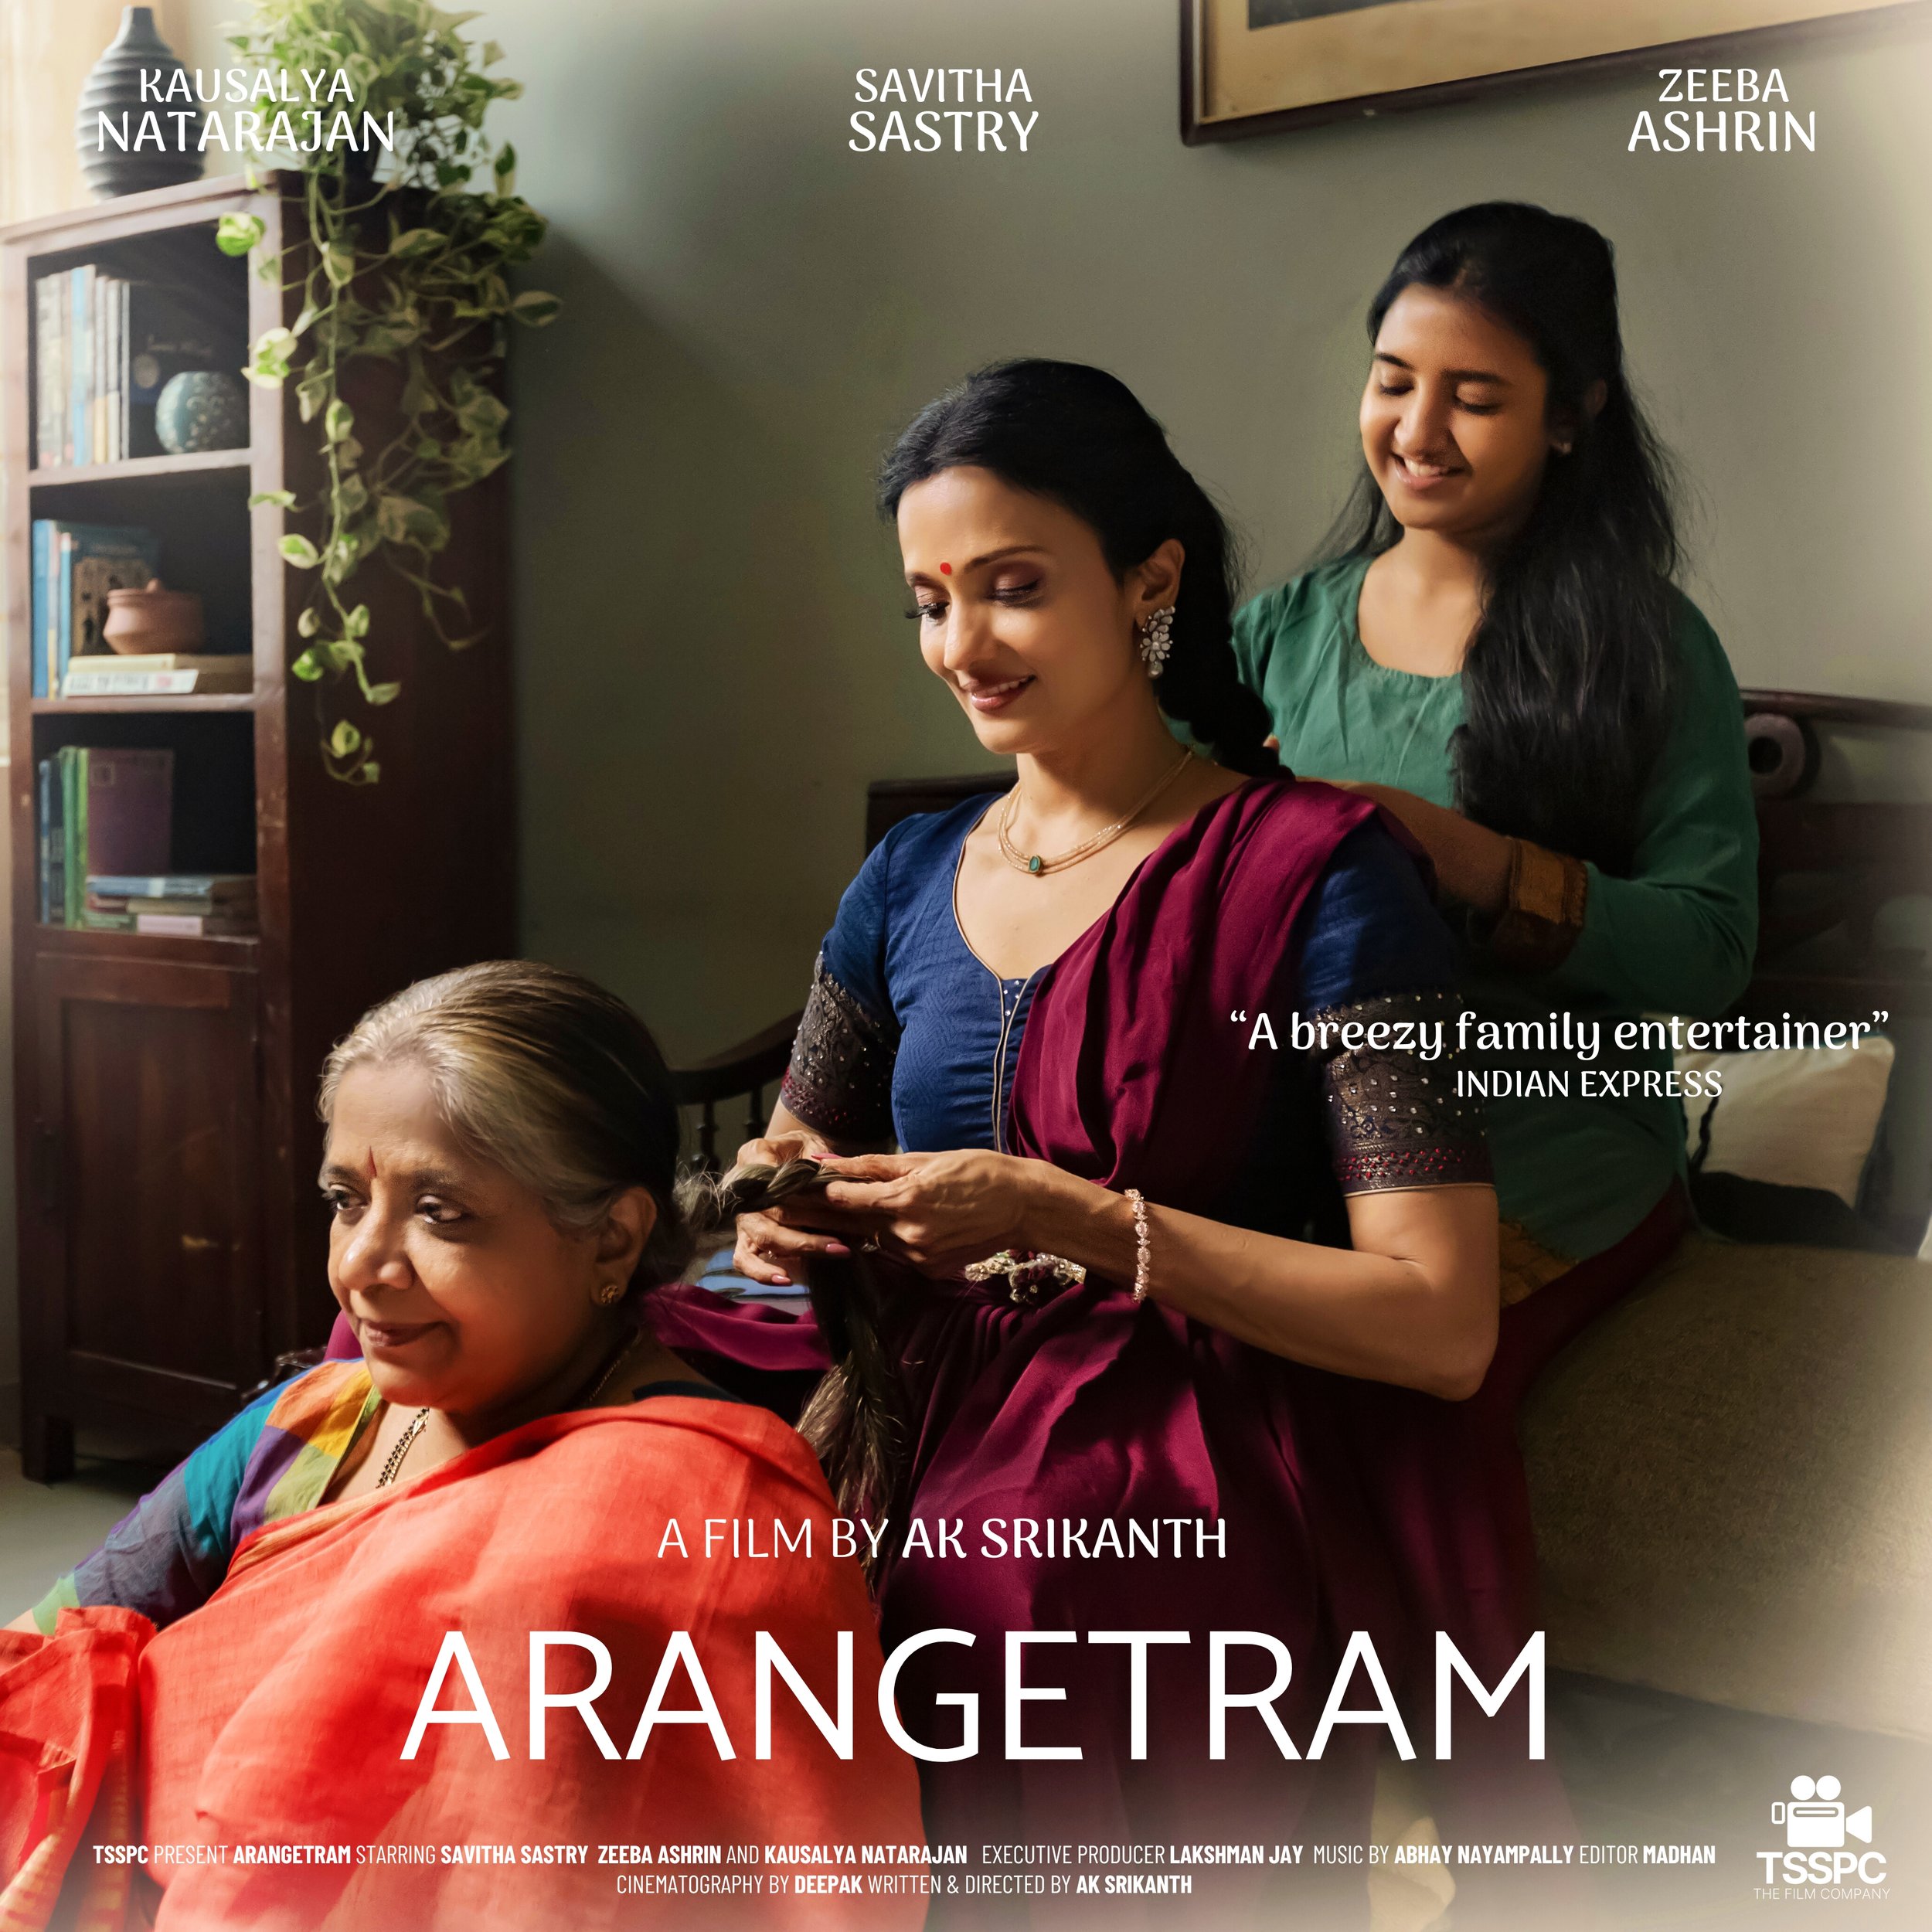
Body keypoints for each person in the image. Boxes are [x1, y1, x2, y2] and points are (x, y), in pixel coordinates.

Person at [652, 358, 1585, 1925]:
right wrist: (780, 1209)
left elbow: (1436, 1320)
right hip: (902, 1353)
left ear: (1149, 579)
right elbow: (788, 1150)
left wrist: (1074, 1217)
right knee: (521, 1400)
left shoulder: (1322, 873)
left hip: (1181, 1388)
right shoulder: (910, 871)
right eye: (928, 602)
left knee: (998, 1576)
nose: (961, 646)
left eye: (1010, 589)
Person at [1, 961, 923, 1931]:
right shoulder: (314, 1422)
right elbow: (50, 1661)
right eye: (346, 1199)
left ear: (611, 1241)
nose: (360, 1263)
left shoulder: (701, 1525)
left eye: (441, 1212)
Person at [1232, 202, 1757, 1369]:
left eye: (1474, 399)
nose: (1418, 431)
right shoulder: (1276, 634)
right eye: (1391, 381)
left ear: (1570, 419)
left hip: (1551, 1159)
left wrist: (1456, 852)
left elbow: (1711, 953)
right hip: (1307, 1153)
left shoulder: (1650, 648)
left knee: (1375, 1414)